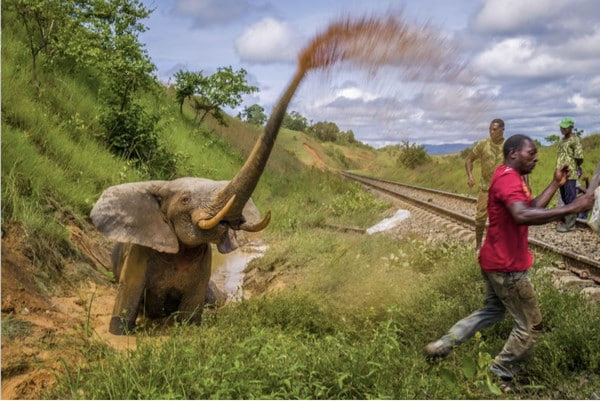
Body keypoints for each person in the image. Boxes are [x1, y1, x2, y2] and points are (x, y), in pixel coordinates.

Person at [425, 134, 595, 383]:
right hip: (507, 268)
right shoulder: (508, 179)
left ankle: (444, 343)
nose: (536, 158)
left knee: (491, 310)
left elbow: (531, 207)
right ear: (513, 153)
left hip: (494, 260)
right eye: (531, 153)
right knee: (531, 326)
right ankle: (499, 374)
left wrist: (555, 184)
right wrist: (573, 207)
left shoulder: (511, 176)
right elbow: (522, 215)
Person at [465, 118, 505, 249]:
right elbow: (469, 159)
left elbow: (519, 164)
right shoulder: (482, 144)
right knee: (480, 217)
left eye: (494, 129)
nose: (491, 132)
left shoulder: (508, 145)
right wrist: (470, 176)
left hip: (502, 189)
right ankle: (478, 246)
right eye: (490, 129)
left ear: (502, 130)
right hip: (485, 188)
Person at [555, 117, 584, 232]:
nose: (562, 129)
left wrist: (575, 167)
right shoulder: (562, 140)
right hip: (560, 173)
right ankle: (568, 220)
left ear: (571, 127)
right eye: (562, 126)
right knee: (564, 197)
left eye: (565, 127)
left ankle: (570, 225)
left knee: (571, 197)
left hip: (570, 174)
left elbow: (579, 157)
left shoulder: (574, 140)